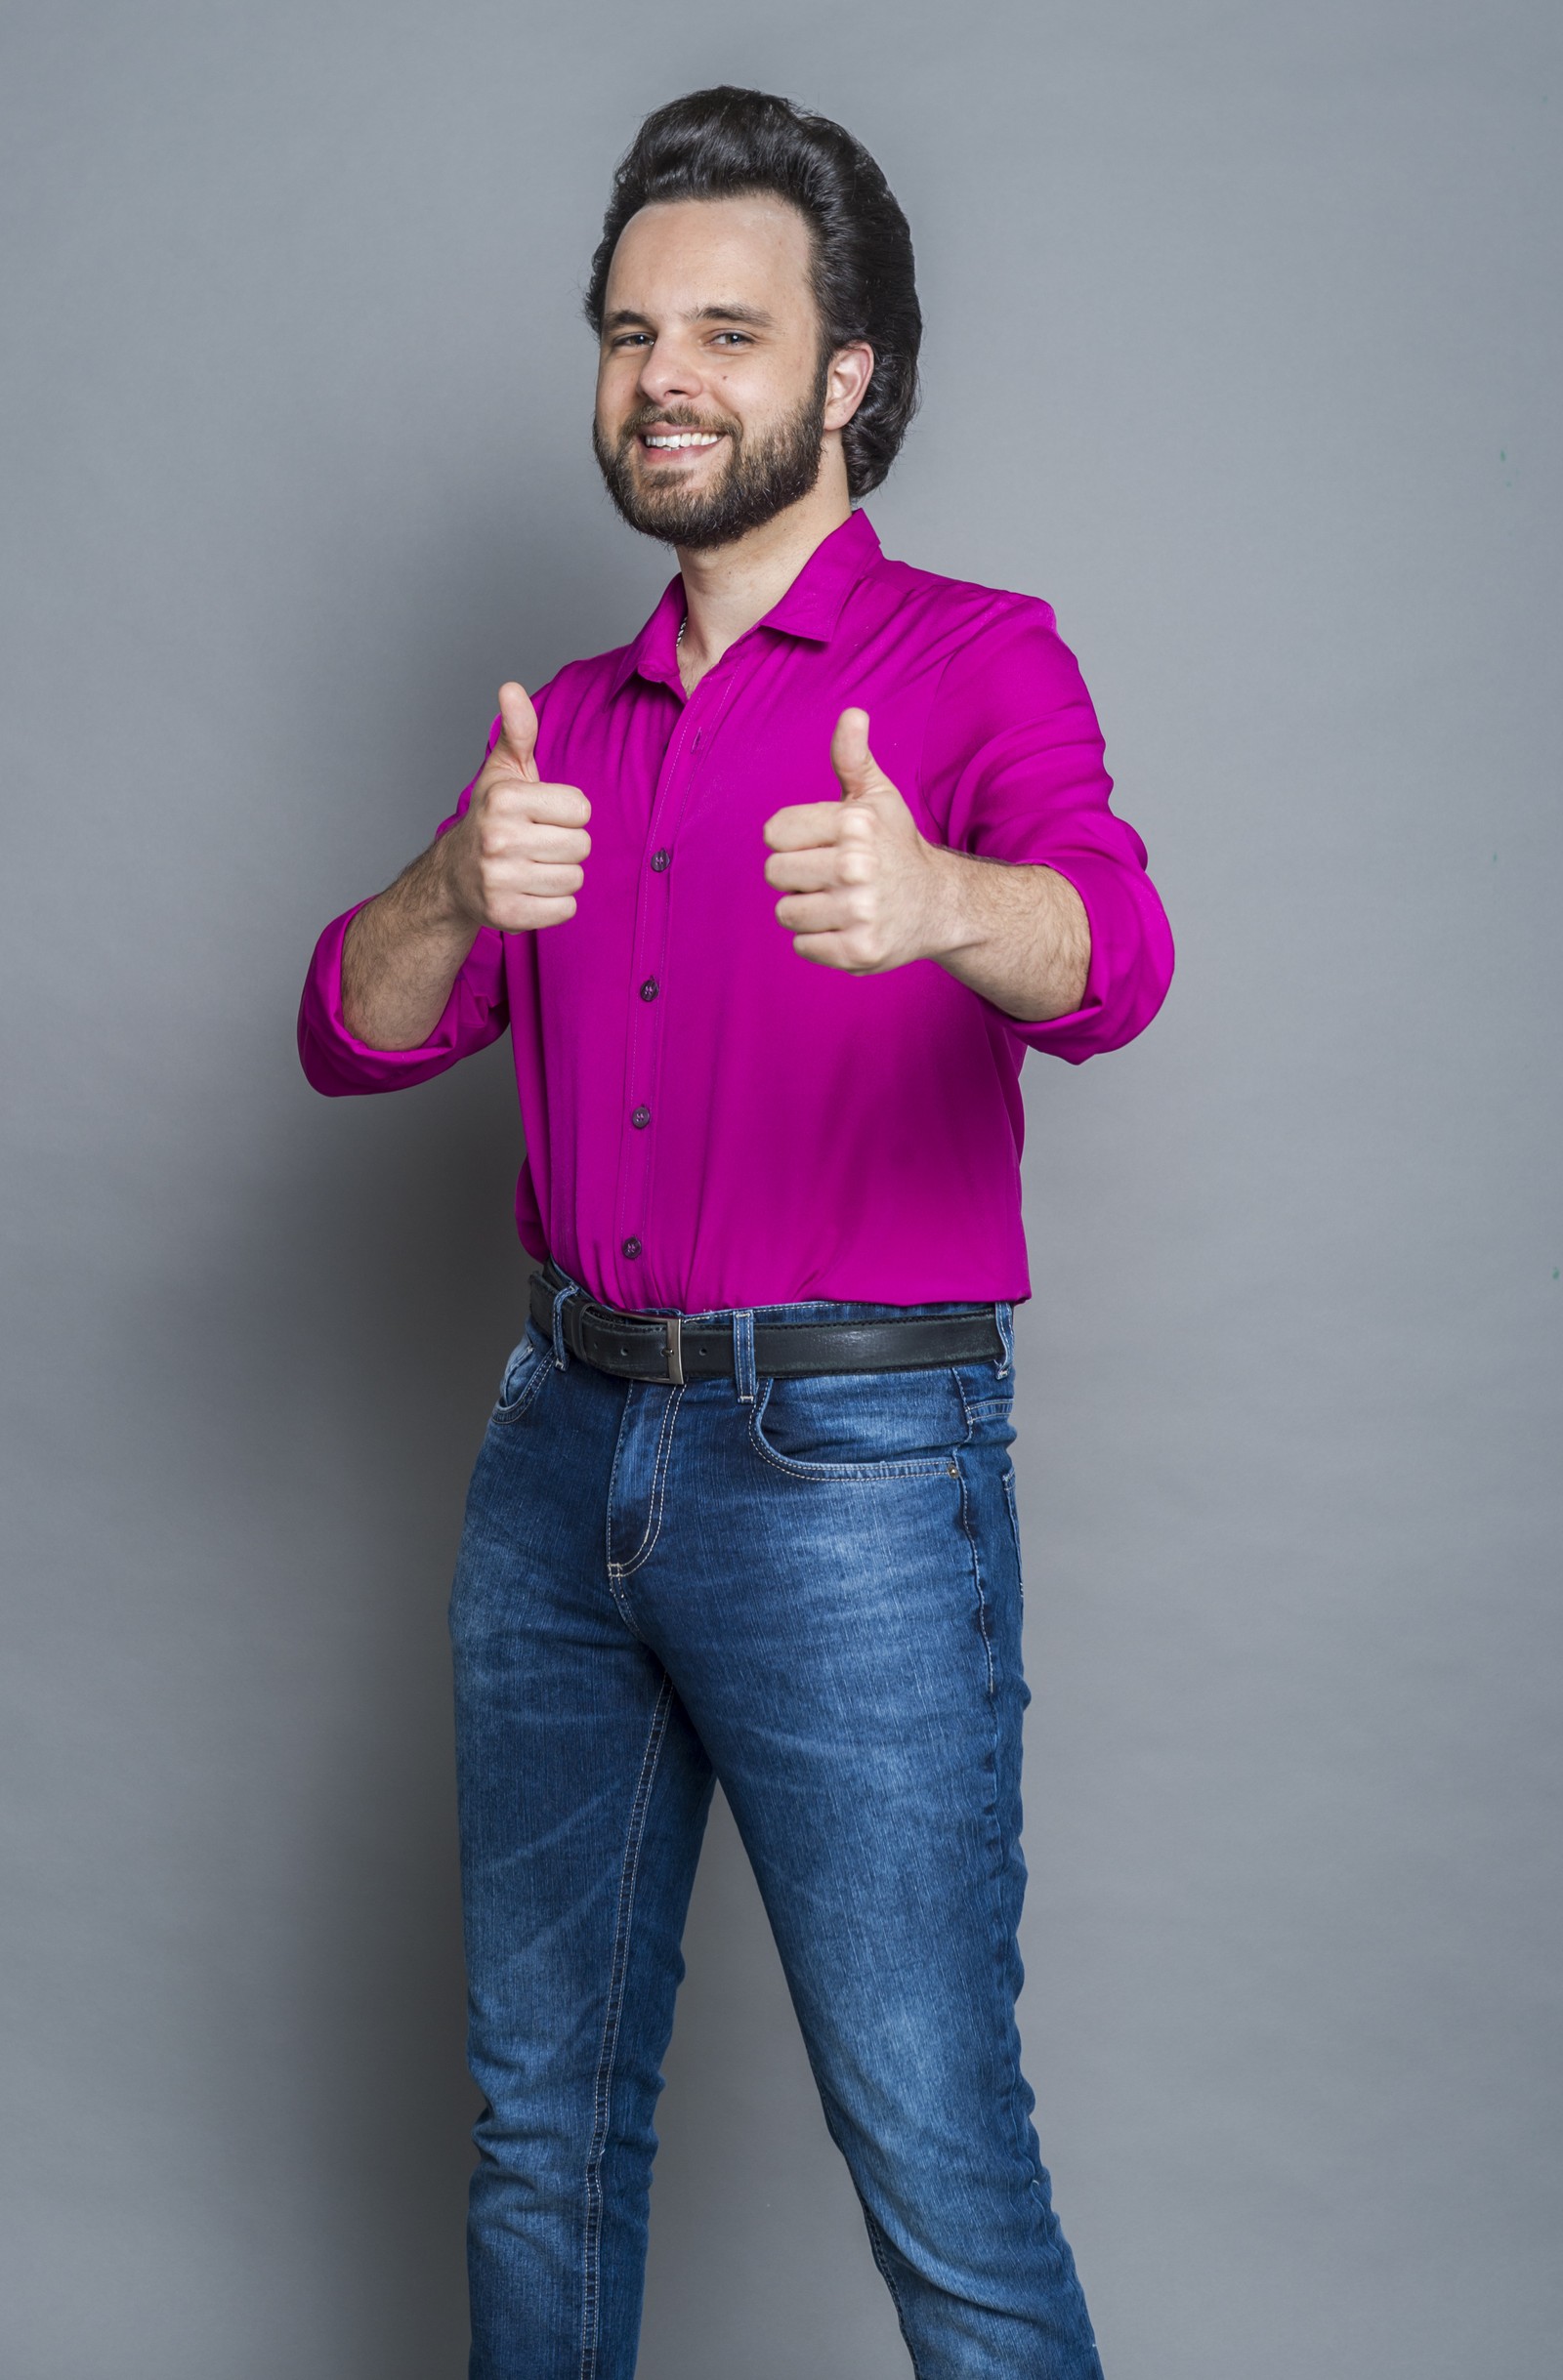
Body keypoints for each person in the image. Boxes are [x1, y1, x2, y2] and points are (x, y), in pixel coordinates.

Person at [298, 83, 1172, 2380]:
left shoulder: (975, 666)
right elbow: (350, 1029)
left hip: (851, 1487)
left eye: (720, 328)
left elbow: (1115, 948)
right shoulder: (559, 732)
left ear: (843, 373)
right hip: (554, 1448)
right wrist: (443, 886)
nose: (658, 375)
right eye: (623, 331)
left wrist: (940, 903)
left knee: (939, 2160)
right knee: (537, 2136)